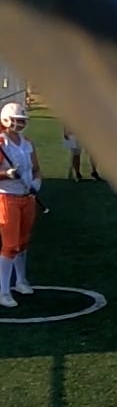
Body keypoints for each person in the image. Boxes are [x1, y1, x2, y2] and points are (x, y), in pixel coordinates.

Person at [0, 102, 43, 307]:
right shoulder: (1, 143)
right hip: (7, 197)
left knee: (23, 243)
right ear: (6, 120)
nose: (20, 124)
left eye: (22, 120)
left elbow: (36, 169)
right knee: (10, 245)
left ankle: (21, 281)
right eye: (16, 120)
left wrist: (36, 184)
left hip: (27, 197)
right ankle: (3, 291)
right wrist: (6, 174)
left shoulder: (27, 143)